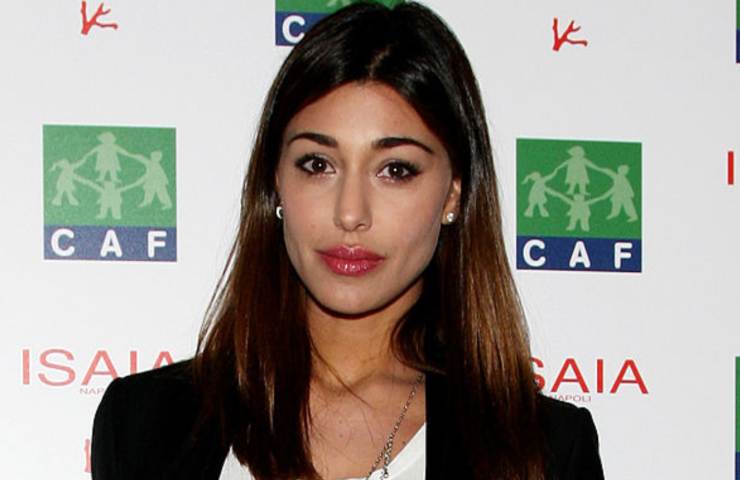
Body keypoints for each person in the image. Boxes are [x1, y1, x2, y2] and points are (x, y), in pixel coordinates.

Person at [91, 2, 604, 479]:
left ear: (453, 194)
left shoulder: (544, 449)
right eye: (318, 164)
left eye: (395, 169)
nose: (350, 213)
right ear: (276, 181)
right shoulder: (144, 423)